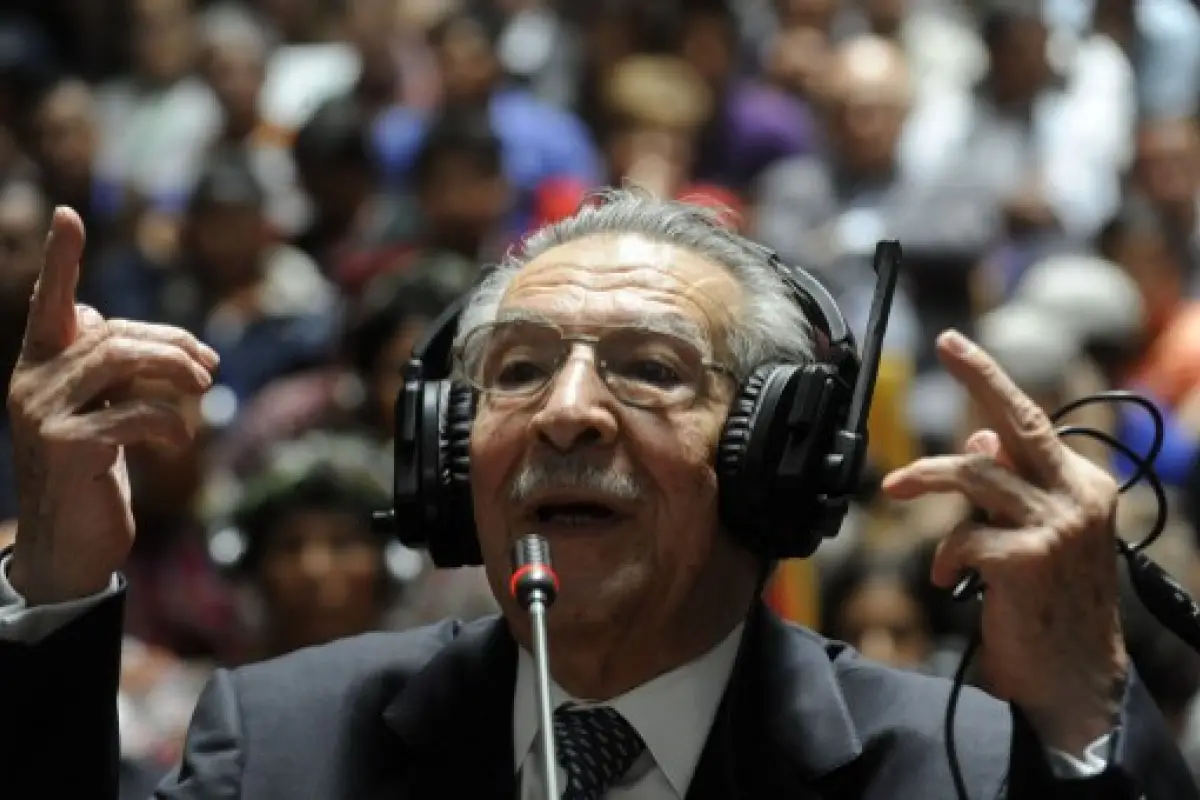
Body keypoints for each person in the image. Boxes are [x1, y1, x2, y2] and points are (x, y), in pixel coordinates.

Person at [0, 193, 1197, 799]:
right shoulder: (286, 740)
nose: (566, 410)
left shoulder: (961, 767)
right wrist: (55, 586)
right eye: (516, 369)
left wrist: (1088, 707)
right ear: (446, 450)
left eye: (649, 367)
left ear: (780, 450)